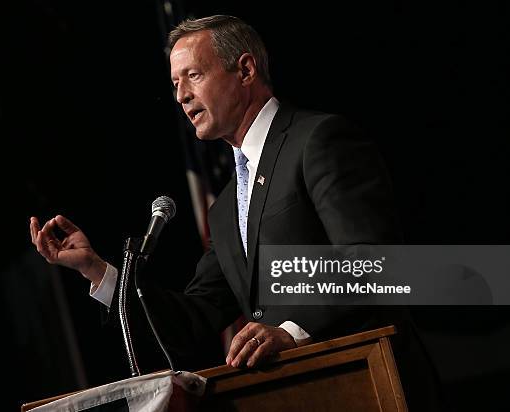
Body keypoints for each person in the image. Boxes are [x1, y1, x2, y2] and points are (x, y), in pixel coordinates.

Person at [30, 15, 442, 409]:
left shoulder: (318, 141)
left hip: (378, 383)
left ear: (245, 70)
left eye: (193, 75)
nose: (180, 96)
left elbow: (376, 263)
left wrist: (290, 331)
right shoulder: (226, 207)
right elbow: (192, 321)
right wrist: (96, 270)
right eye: (174, 83)